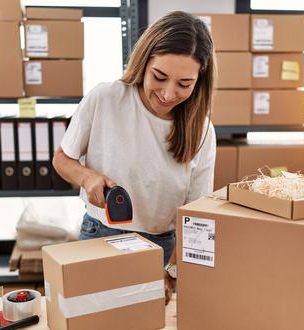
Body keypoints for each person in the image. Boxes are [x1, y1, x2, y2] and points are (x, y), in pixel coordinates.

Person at [52, 11, 216, 304]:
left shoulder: (201, 129)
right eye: (160, 77)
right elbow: (63, 158)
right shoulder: (105, 99)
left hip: (162, 248)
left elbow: (196, 214)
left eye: (184, 84)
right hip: (100, 235)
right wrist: (87, 177)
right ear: (144, 62)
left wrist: (172, 272)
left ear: (199, 80)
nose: (168, 94)